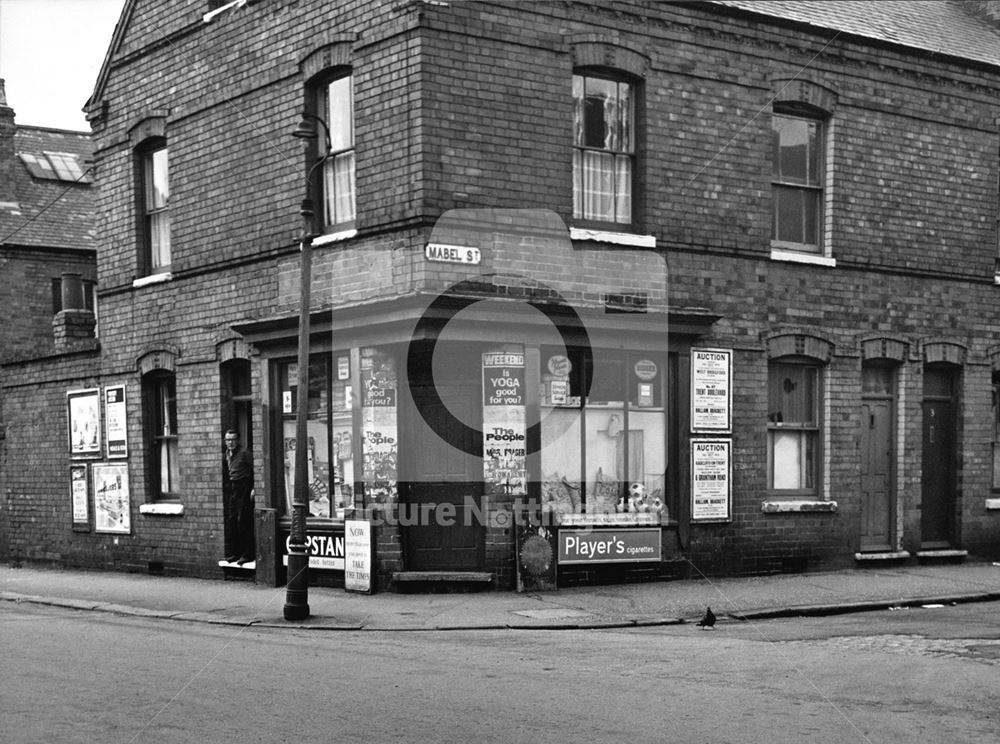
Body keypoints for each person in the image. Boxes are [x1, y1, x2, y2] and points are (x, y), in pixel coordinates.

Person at [223, 429, 255, 565]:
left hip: (244, 486)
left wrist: (253, 489)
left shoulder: (245, 453)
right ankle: (235, 554)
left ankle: (247, 554)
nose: (230, 442)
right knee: (232, 521)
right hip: (233, 488)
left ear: (238, 440)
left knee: (243, 521)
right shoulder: (227, 454)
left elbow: (255, 469)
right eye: (228, 440)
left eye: (233, 439)